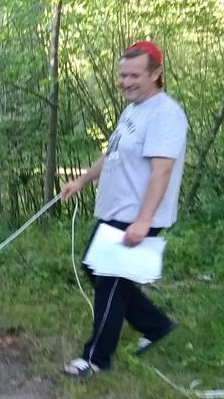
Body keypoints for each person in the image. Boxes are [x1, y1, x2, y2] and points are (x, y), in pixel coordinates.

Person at [60, 40, 188, 378]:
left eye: (134, 76)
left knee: (110, 282)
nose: (126, 82)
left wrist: (144, 221)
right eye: (122, 75)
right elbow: (113, 153)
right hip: (116, 210)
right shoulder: (133, 109)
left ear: (155, 74)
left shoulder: (165, 115)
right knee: (95, 268)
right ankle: (156, 325)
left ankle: (96, 358)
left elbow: (161, 172)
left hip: (136, 215)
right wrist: (82, 180)